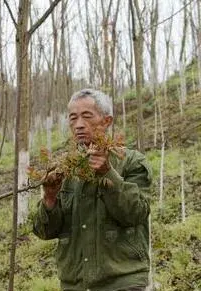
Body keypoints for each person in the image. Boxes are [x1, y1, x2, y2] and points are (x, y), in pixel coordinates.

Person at [32, 89, 152, 291]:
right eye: (73, 118)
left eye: (87, 116)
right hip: (75, 284)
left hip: (122, 282)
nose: (79, 124)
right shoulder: (64, 169)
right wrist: (50, 199)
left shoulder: (131, 162)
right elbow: (44, 232)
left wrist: (108, 173)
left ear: (107, 121)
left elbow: (136, 213)